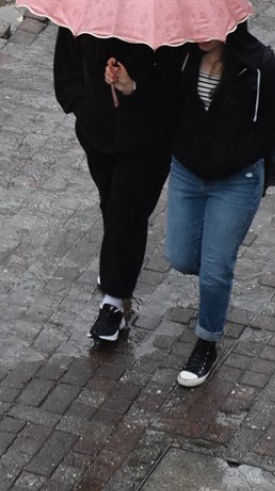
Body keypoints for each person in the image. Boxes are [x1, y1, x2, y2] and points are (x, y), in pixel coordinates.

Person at [165, 22, 275, 387]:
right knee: (182, 257)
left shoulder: (265, 69)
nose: (200, 32)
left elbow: (273, 129)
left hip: (237, 180)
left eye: (210, 24)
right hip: (187, 173)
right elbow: (164, 106)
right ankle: (212, 289)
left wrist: (228, 160)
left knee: (216, 269)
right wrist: (129, 87)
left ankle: (207, 341)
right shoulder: (182, 57)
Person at [53, 26, 180, 342]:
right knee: (112, 205)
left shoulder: (164, 28)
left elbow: (173, 94)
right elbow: (66, 70)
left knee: (127, 211)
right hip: (98, 136)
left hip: (148, 141)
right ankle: (117, 263)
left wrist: (131, 87)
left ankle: (113, 302)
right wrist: (84, 108)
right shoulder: (84, 16)